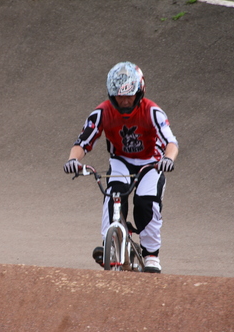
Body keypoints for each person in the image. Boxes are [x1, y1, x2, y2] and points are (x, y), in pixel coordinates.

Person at [63, 61, 179, 273]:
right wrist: (73, 160)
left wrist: (168, 159)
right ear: (111, 94)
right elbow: (82, 143)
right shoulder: (102, 113)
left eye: (129, 95)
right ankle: (111, 244)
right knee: (113, 196)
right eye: (119, 96)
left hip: (151, 163)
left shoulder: (153, 112)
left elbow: (171, 142)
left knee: (146, 203)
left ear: (139, 91)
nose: (125, 101)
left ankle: (151, 254)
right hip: (121, 161)